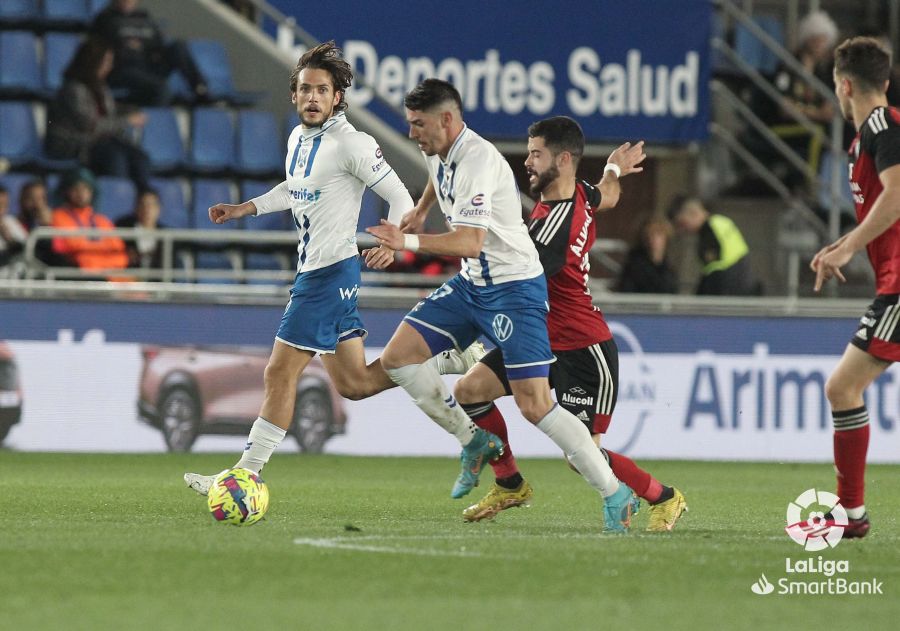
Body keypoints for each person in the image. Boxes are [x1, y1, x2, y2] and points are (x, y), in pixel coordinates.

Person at [182, 43, 484, 497]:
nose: (312, 97)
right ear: (294, 95)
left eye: (322, 90)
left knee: (278, 373)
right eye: (305, 89)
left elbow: (400, 197)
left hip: (329, 275)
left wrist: (393, 245)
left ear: (338, 97)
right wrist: (246, 208)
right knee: (355, 383)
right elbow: (296, 188)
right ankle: (452, 357)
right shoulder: (298, 138)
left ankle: (244, 476)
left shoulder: (353, 143)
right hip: (318, 274)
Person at [368, 81, 637, 533]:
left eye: (419, 124)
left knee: (535, 405)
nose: (413, 134)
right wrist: (420, 207)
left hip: (515, 288)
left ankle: (615, 492)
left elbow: (470, 241)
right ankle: (475, 444)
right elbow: (439, 173)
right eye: (410, 124)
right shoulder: (439, 147)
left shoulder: (479, 160)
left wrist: (407, 239)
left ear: (447, 120)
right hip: (474, 283)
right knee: (399, 358)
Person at [437, 116, 685, 530]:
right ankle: (509, 482)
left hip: (583, 349)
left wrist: (467, 238)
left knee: (580, 456)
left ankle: (666, 497)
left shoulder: (556, 224)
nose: (528, 162)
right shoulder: (578, 194)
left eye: (536, 154)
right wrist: (613, 169)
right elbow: (608, 194)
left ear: (564, 159)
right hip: (540, 339)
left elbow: (516, 278)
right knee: (470, 391)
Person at [810, 36, 900, 539]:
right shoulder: (867, 137)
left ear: (844, 86)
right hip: (894, 281)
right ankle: (852, 514)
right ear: (883, 81)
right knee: (843, 388)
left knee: (843, 387)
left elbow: (898, 194)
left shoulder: (881, 127)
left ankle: (851, 514)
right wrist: (839, 245)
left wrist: (846, 249)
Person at [45, 37, 151, 191]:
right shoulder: (73, 90)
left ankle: (145, 200)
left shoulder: (101, 88)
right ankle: (115, 201)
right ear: (93, 62)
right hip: (73, 143)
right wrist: (126, 121)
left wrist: (129, 111)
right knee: (115, 158)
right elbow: (90, 124)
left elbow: (110, 114)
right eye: (106, 61)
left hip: (98, 142)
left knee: (139, 157)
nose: (110, 66)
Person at [91, 0, 208, 105]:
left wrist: (144, 47)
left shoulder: (145, 18)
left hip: (147, 65)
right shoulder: (105, 19)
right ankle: (154, 120)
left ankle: (200, 91)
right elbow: (95, 50)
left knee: (178, 47)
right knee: (162, 89)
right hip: (122, 68)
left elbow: (158, 45)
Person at [667, 195, 756, 295]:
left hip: (726, 290)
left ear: (693, 213)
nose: (683, 231)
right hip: (737, 287)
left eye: (682, 224)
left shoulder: (710, 230)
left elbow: (714, 269)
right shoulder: (720, 222)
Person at [50, 168, 129, 272]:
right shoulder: (58, 217)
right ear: (67, 192)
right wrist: (100, 252)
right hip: (80, 276)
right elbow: (73, 250)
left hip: (111, 275)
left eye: (85, 188)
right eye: (76, 189)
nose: (81, 193)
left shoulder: (102, 221)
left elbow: (121, 255)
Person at [617, 217, 679, 293]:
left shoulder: (669, 267)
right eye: (649, 234)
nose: (653, 239)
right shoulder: (634, 265)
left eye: (659, 234)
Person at [17, 180, 69, 268]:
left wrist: (47, 226)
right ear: (21, 200)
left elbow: (61, 250)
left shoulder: (57, 223)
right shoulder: (13, 223)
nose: (36, 204)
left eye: (41, 198)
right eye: (31, 198)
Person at [115, 188, 167, 269]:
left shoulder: (167, 236)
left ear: (159, 209)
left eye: (151, 205)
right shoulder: (122, 231)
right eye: (143, 205)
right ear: (136, 208)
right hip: (128, 280)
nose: (147, 210)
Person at [0, 185, 27, 275]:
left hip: (15, 282)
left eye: (4, 205)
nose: (1, 210)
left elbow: (26, 249)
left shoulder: (12, 222)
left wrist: (8, 237)